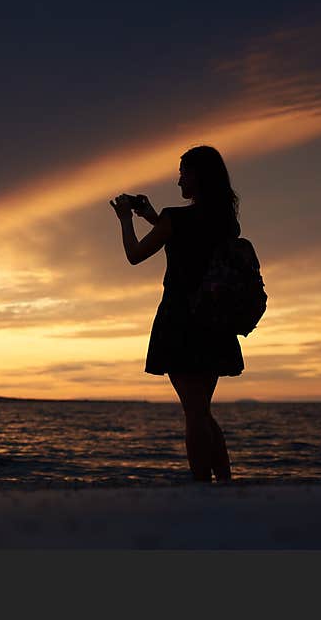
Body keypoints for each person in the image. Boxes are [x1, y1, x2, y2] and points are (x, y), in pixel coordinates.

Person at [110, 145, 243, 482]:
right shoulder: (224, 220)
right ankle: (224, 485)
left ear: (197, 176)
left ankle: (202, 487)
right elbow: (184, 235)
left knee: (194, 412)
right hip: (215, 319)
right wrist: (153, 217)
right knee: (201, 409)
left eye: (183, 171)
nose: (178, 178)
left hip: (181, 320)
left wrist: (126, 218)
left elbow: (135, 254)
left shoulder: (176, 218)